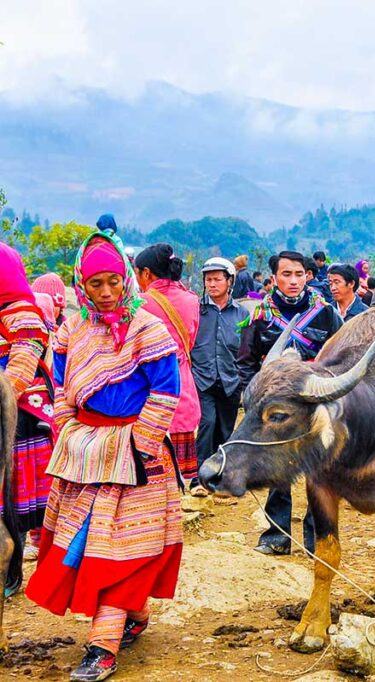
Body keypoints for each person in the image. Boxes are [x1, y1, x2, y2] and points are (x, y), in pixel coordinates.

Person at [25, 228, 182, 681]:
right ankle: (135, 614)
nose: (108, 292)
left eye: (114, 280)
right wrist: (68, 431)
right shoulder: (72, 328)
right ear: (82, 285)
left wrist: (140, 446)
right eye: (96, 284)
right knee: (84, 545)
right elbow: (59, 387)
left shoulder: (147, 328)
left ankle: (103, 646)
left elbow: (166, 393)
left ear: (127, 278)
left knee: (120, 549)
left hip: (137, 458)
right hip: (85, 454)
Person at [238, 250, 343, 556]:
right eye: (286, 274)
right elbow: (245, 361)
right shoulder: (258, 316)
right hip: (274, 410)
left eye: (299, 274)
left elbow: (338, 356)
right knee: (276, 470)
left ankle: (315, 537)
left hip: (314, 405)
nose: (293, 281)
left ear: (308, 276)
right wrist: (252, 398)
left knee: (318, 470)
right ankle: (277, 534)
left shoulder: (326, 313)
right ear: (274, 278)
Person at [0, 243, 55, 596]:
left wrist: (5, 390)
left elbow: (25, 355)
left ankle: (12, 567)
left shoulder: (22, 311)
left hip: (17, 417)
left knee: (11, 507)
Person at [135, 243, 201, 485]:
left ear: (147, 273)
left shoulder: (139, 303)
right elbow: (189, 343)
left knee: (152, 475)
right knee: (180, 478)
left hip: (148, 391)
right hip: (183, 388)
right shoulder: (191, 299)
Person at [190, 257, 249, 496]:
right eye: (208, 280)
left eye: (217, 279)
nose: (212, 284)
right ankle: (199, 479)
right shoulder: (196, 310)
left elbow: (246, 348)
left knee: (226, 430)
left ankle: (223, 477)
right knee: (207, 424)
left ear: (229, 281)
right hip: (202, 378)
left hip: (230, 379)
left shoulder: (241, 313)